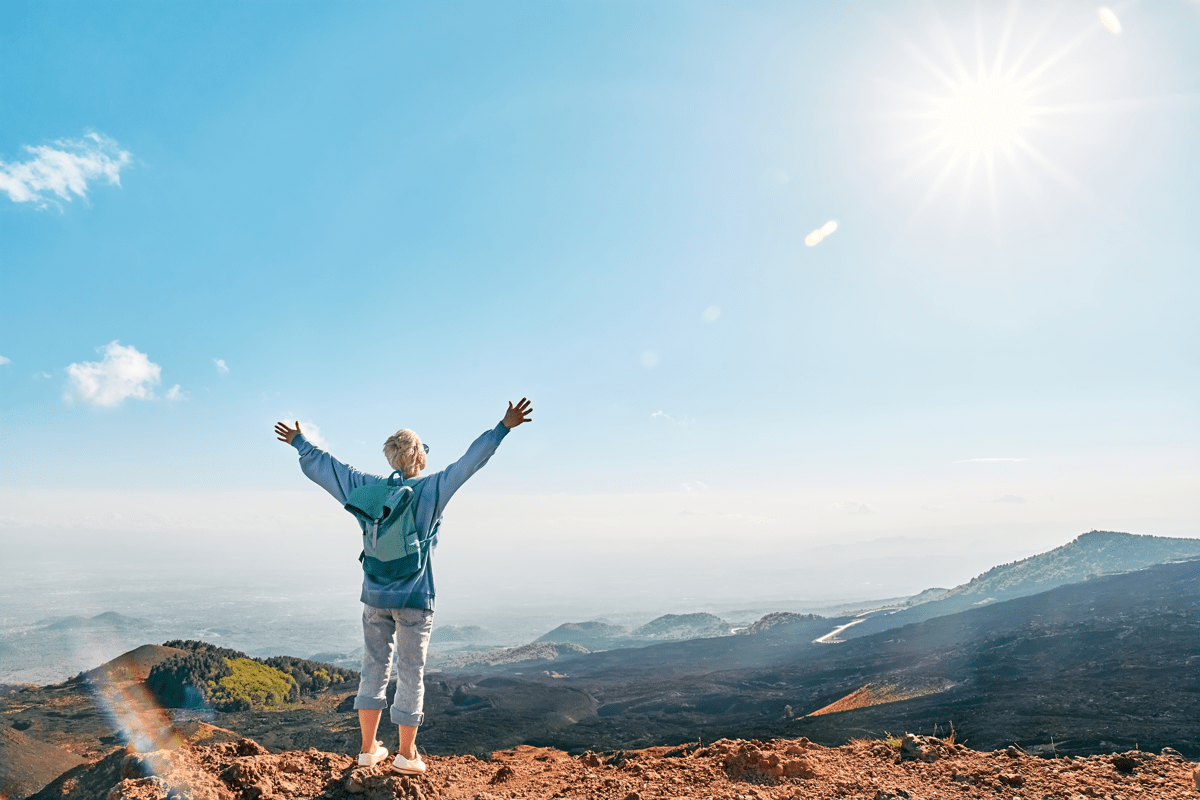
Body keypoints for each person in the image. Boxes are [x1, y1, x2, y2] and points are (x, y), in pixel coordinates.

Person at [273, 398, 533, 774]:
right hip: (414, 596)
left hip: (374, 595)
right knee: (410, 670)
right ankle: (406, 754)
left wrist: (299, 441)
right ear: (419, 457)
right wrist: (502, 428)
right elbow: (469, 463)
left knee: (373, 667)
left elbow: (331, 469)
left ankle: (367, 749)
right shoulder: (432, 488)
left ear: (391, 457)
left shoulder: (368, 488)